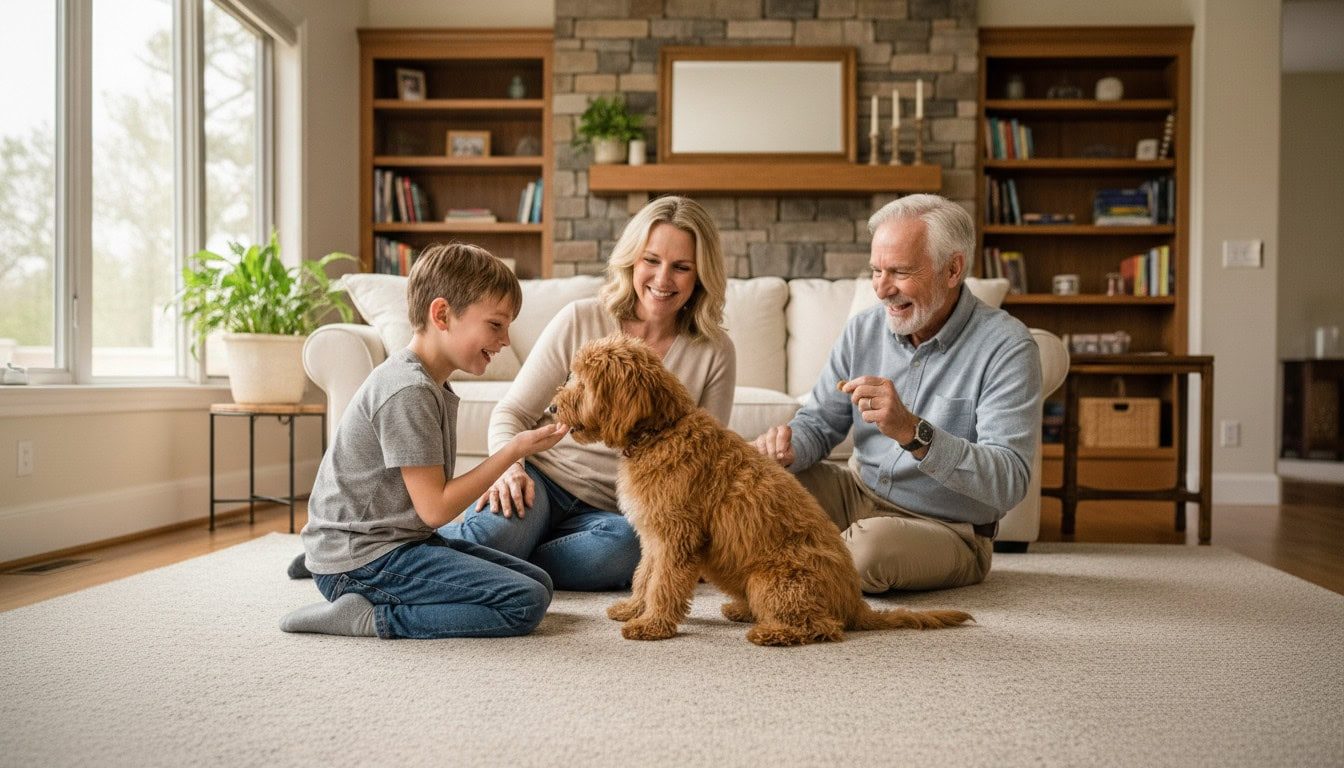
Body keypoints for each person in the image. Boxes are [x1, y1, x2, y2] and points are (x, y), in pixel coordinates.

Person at [444, 195, 736, 590]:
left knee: (627, 552)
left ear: (701, 274)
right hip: (542, 480)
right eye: (651, 260)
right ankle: (464, 560)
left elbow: (706, 458)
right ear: (632, 259)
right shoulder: (582, 317)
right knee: (497, 533)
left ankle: (507, 565)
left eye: (681, 267)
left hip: (616, 514)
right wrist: (508, 468)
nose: (663, 280)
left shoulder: (713, 350)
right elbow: (511, 412)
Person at [753, 194, 1041, 593]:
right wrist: (788, 447)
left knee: (865, 555)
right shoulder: (863, 330)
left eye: (899, 272)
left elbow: (1009, 480)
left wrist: (913, 432)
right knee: (751, 491)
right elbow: (818, 423)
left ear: (952, 269)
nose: (882, 289)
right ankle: (800, 565)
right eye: (876, 271)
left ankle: (790, 571)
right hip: (855, 495)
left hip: (947, 527)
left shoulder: (1007, 347)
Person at [280, 243, 570, 638]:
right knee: (525, 602)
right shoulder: (408, 391)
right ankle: (366, 613)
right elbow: (435, 509)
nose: (504, 340)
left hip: (396, 541)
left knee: (540, 583)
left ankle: (327, 553)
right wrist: (514, 450)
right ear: (442, 314)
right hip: (369, 556)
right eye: (495, 324)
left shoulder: (430, 382)